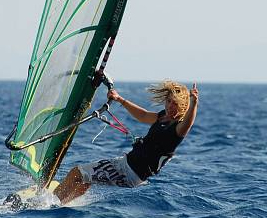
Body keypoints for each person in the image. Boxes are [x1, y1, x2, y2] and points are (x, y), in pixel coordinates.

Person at [53, 80, 199, 205]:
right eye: (168, 101)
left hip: (129, 173)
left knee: (77, 172)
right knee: (85, 180)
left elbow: (188, 123)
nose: (170, 106)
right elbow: (142, 115)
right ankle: (60, 204)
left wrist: (194, 104)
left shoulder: (178, 129)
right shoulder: (162, 117)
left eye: (175, 104)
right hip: (125, 165)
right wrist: (119, 99)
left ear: (183, 106)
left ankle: (49, 201)